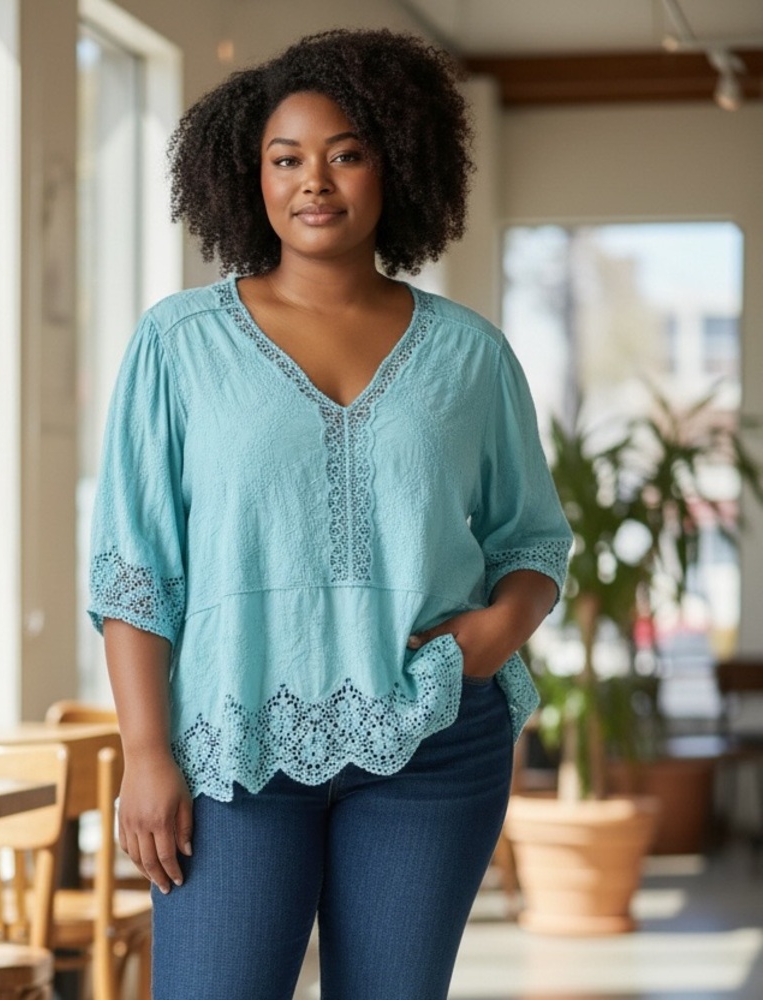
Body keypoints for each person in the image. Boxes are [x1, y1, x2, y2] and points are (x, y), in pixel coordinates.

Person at [87, 27, 572, 1000]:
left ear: (395, 164)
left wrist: (487, 636)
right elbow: (136, 570)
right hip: (231, 746)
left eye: (345, 152)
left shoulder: (471, 356)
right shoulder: (177, 346)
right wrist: (145, 755)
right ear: (248, 175)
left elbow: (530, 539)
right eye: (286, 159)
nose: (315, 181)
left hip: (436, 738)